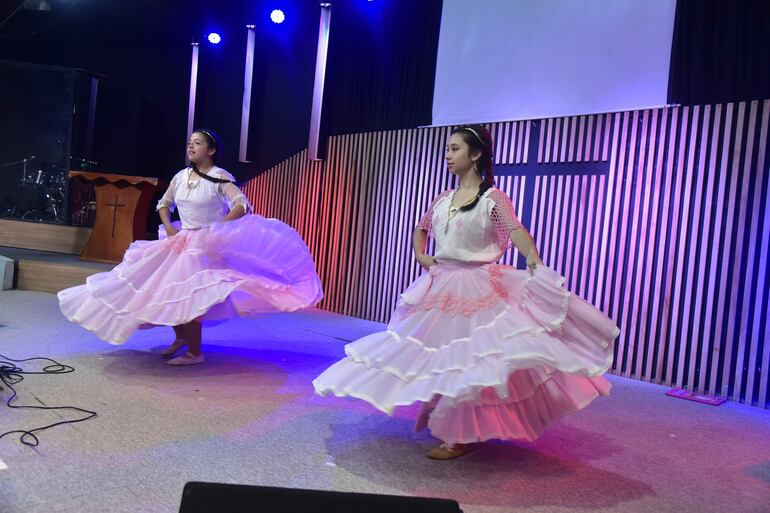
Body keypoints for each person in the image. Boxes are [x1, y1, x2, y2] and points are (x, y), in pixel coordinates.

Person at [313, 124, 619, 459]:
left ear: (475, 155)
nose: (448, 154)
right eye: (448, 148)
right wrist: (421, 255)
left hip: (478, 285)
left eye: (455, 148)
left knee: (469, 359)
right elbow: (421, 228)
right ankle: (445, 420)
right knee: (435, 353)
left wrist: (534, 262)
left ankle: (461, 435)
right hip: (441, 285)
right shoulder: (443, 199)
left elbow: (516, 231)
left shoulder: (493, 198)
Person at [59, 129, 323, 365]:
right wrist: (169, 226)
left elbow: (242, 206)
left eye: (197, 143)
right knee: (165, 290)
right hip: (181, 239)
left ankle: (195, 352)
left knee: (189, 294)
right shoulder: (181, 176)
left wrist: (218, 227)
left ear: (211, 150)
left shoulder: (220, 177)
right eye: (189, 143)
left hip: (204, 246)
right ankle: (181, 338)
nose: (191, 147)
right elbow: (164, 203)